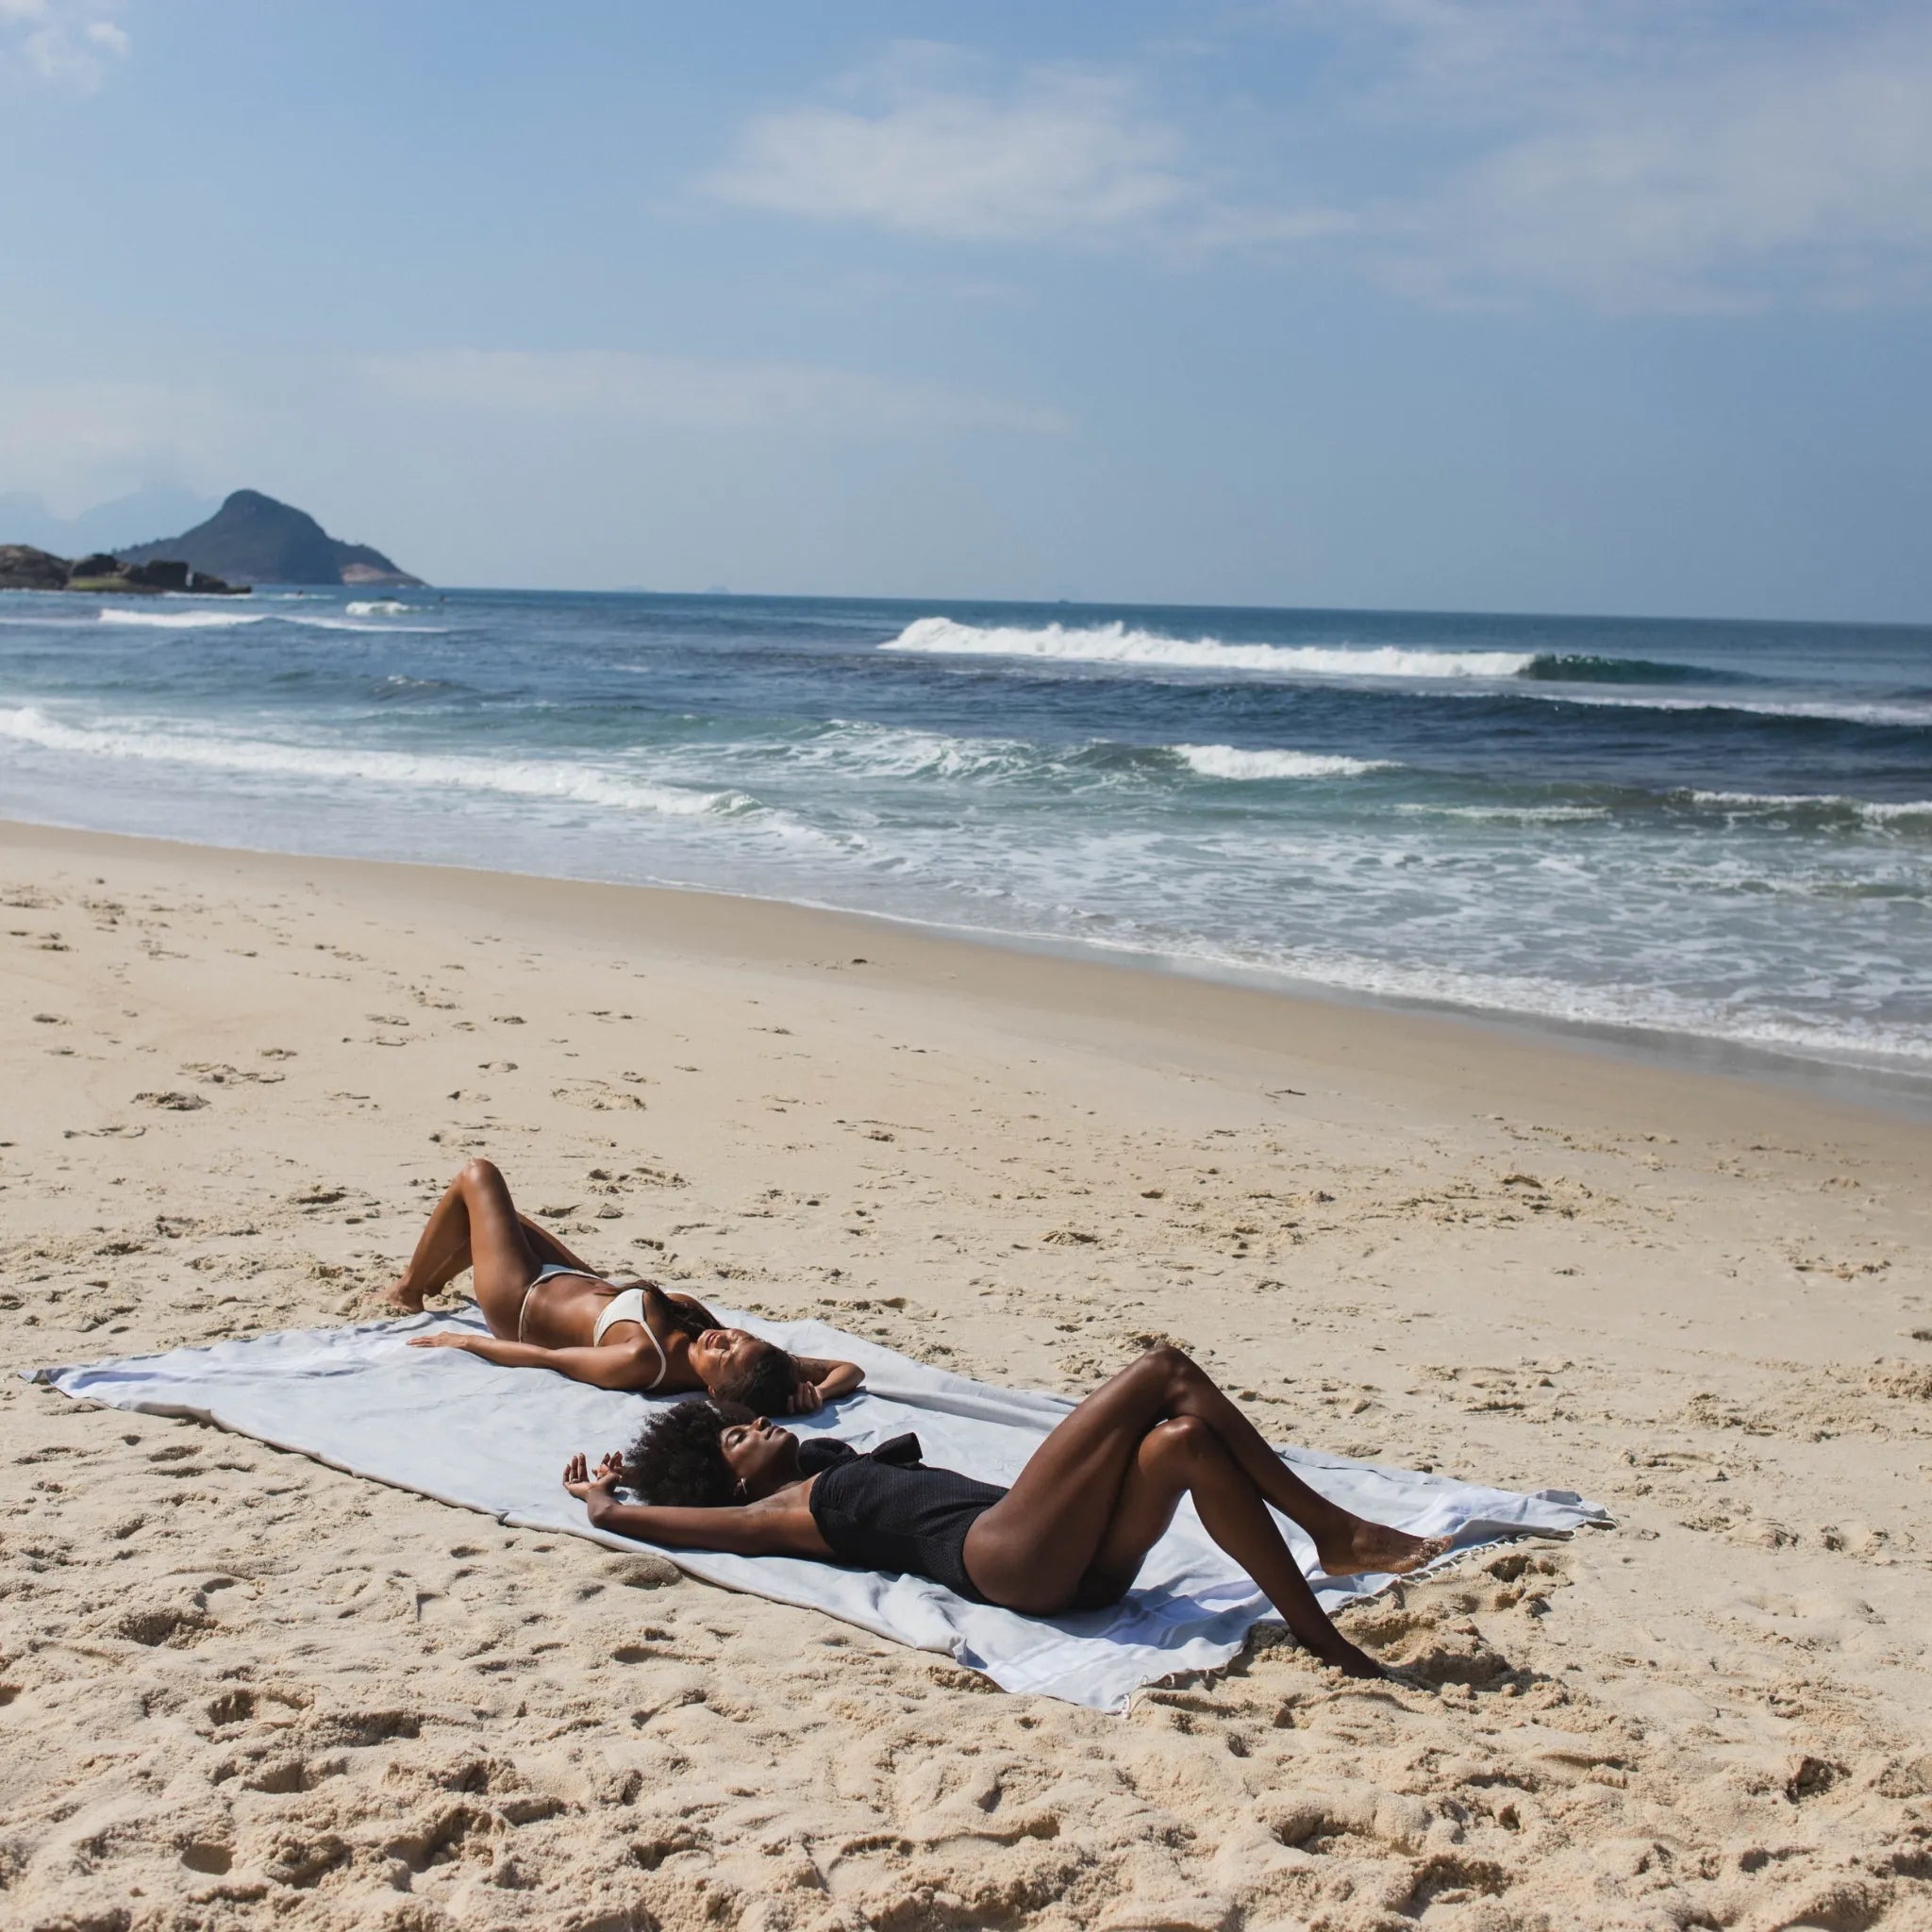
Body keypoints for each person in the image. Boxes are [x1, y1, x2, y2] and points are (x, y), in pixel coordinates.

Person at [561, 1345, 1451, 1678]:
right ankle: (1333, 1532)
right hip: (1008, 1561)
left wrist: (773, 1394)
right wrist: (609, 1506)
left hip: (1077, 1565)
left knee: (1184, 1441)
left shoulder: (816, 1454)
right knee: (1162, 1371)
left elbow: (821, 1376)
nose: (749, 1426)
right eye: (732, 1442)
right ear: (738, 1487)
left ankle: (1325, 1638)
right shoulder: (781, 1510)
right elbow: (682, 1525)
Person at [386, 1158, 863, 1414]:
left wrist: (464, 1339)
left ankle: (409, 1290)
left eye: (724, 1355)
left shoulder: (641, 1360)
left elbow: (549, 1358)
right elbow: (849, 1368)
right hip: (581, 1281)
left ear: (716, 1392)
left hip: (522, 1301)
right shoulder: (749, 1359)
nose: (725, 1338)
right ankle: (439, 1272)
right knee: (491, 1221)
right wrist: (820, 1394)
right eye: (741, 1339)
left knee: (478, 1177)